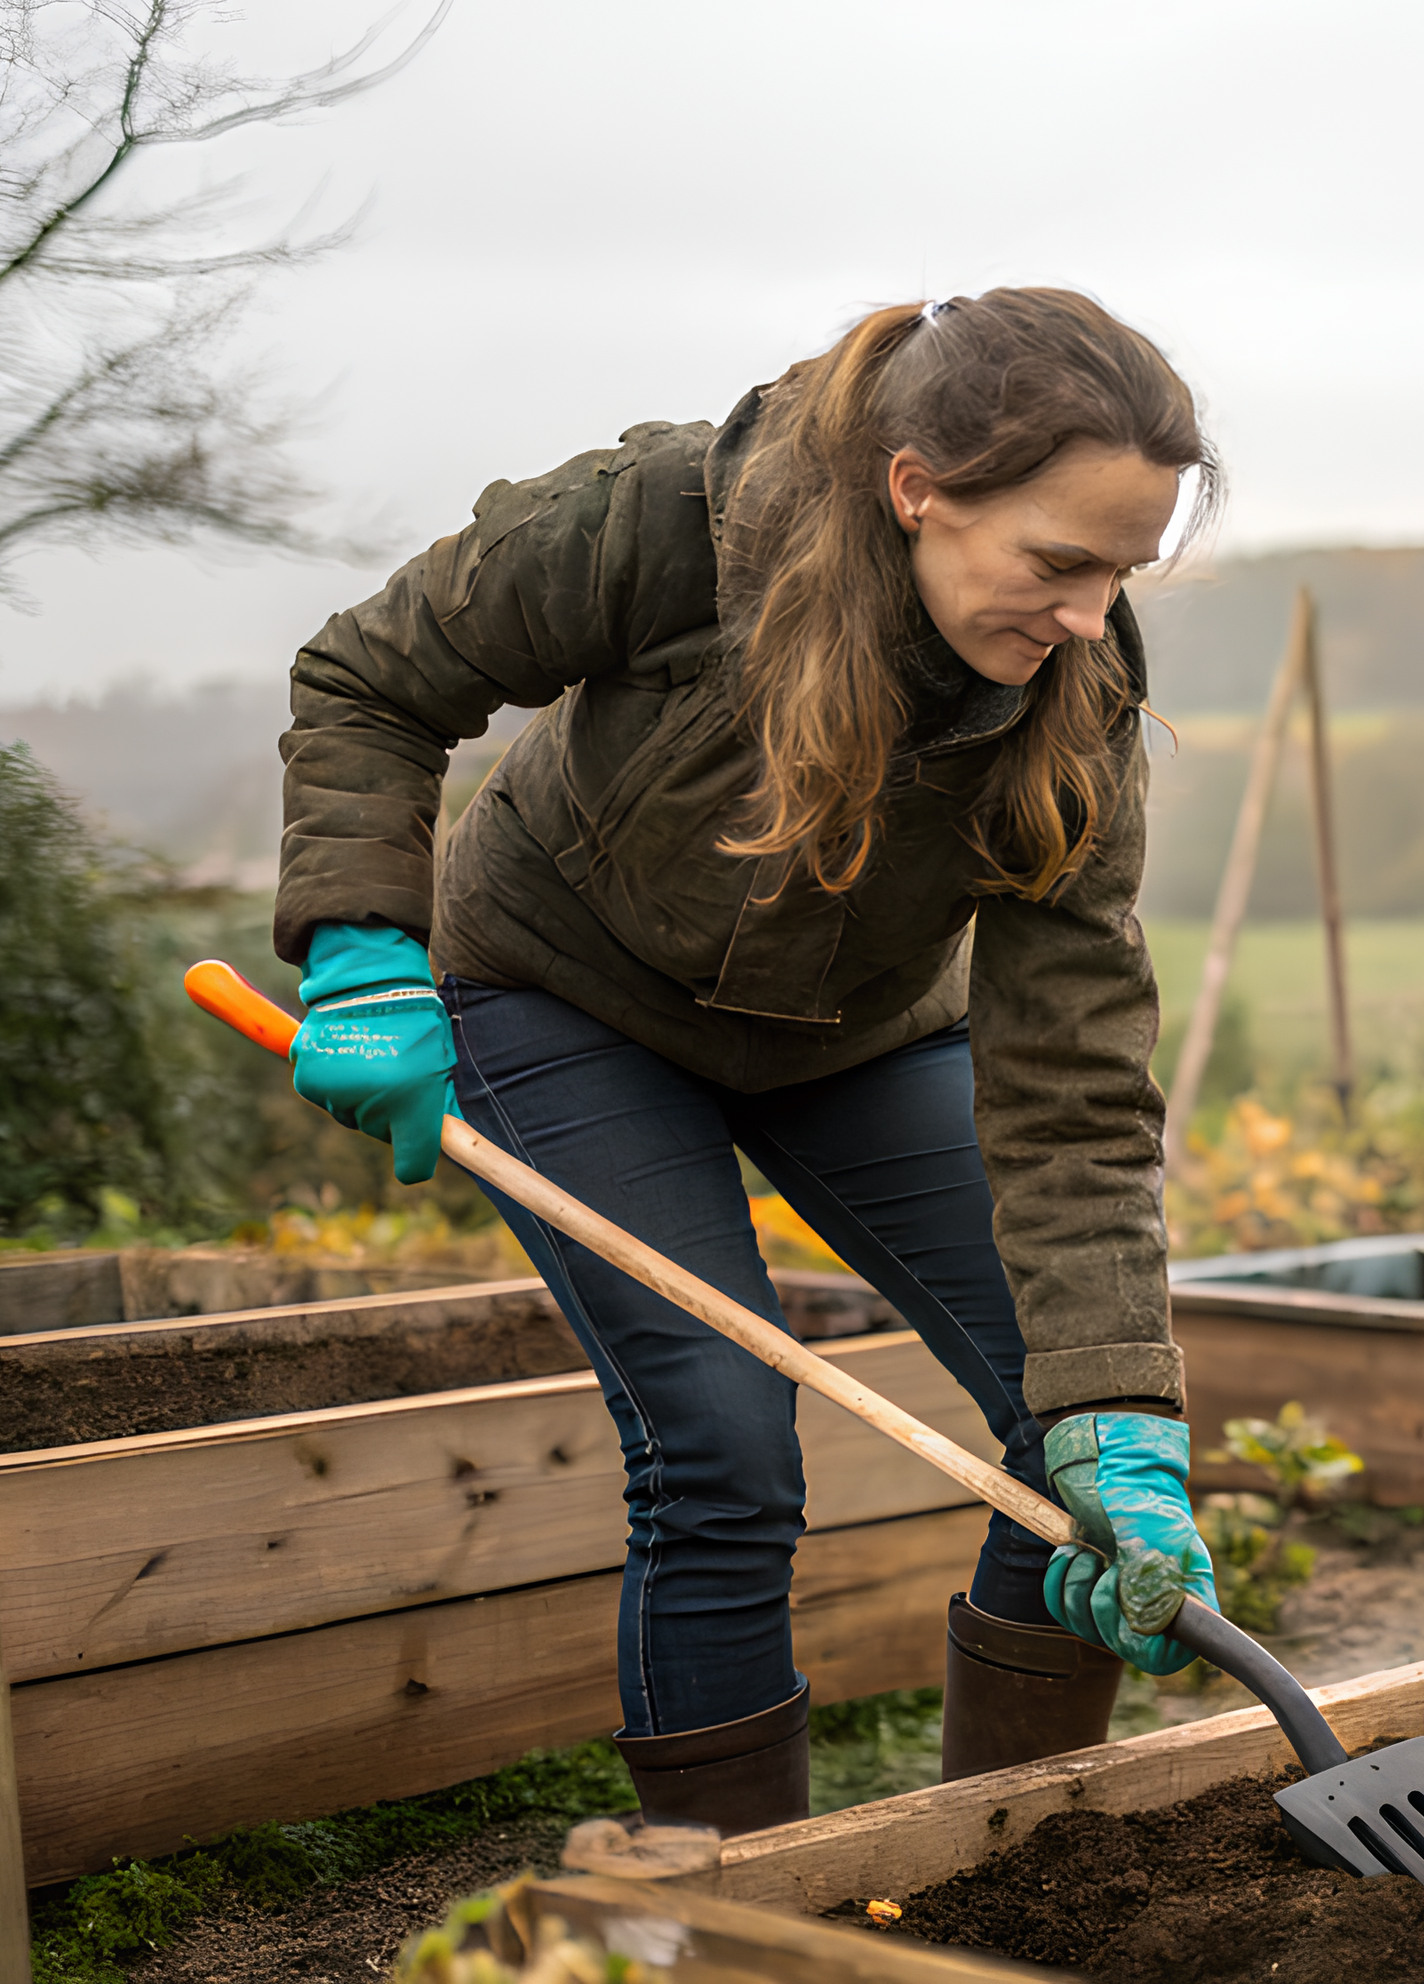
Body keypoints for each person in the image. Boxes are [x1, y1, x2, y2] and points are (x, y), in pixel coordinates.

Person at [272, 289, 1223, 1835]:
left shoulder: (1076, 688)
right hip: (565, 995)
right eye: (1061, 561)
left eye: (1123, 571)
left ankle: (1008, 1867)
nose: (1088, 616)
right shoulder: (664, 523)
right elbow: (374, 679)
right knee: (722, 1447)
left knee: (1084, 1432)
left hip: (855, 1033)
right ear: (919, 486)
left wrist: (1120, 1408)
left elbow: (1073, 1078)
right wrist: (363, 944)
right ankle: (732, 1910)